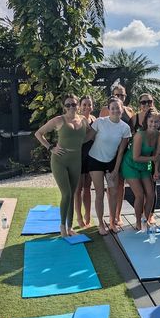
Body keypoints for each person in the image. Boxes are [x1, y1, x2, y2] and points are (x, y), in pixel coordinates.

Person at [35, 94, 88, 237]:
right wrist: (50, 147)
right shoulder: (59, 120)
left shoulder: (84, 120)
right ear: (64, 107)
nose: (71, 107)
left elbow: (88, 136)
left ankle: (70, 227)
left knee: (72, 194)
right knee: (67, 193)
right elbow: (39, 134)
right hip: (60, 160)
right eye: (68, 105)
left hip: (76, 160)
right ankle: (62, 226)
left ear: (78, 105)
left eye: (74, 104)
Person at [87, 97, 132, 235]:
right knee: (100, 194)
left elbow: (120, 152)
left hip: (112, 162)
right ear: (108, 109)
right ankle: (101, 224)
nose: (115, 110)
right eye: (112, 108)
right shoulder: (100, 122)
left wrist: (115, 170)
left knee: (113, 193)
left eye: (117, 108)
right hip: (95, 160)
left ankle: (112, 222)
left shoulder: (125, 128)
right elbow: (88, 137)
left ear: (122, 108)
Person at [99, 84, 135, 227]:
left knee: (120, 184)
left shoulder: (129, 111)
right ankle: (111, 215)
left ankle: (118, 215)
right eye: (117, 95)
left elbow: (132, 131)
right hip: (108, 153)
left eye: (122, 95)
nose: (120, 97)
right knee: (110, 185)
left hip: (124, 152)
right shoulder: (105, 110)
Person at [121, 109, 160, 229]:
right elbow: (136, 157)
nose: (153, 124)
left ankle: (146, 218)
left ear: (159, 123)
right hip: (130, 164)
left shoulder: (158, 135)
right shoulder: (140, 134)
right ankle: (138, 222)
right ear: (146, 121)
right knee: (140, 195)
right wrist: (153, 159)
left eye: (156, 122)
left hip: (145, 166)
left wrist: (156, 170)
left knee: (150, 194)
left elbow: (157, 154)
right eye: (151, 121)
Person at [75, 95, 96, 228]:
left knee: (87, 188)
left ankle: (88, 215)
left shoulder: (95, 120)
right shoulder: (76, 120)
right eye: (84, 105)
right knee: (78, 189)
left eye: (89, 104)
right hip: (78, 157)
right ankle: (79, 217)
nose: (87, 107)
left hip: (91, 157)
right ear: (79, 106)